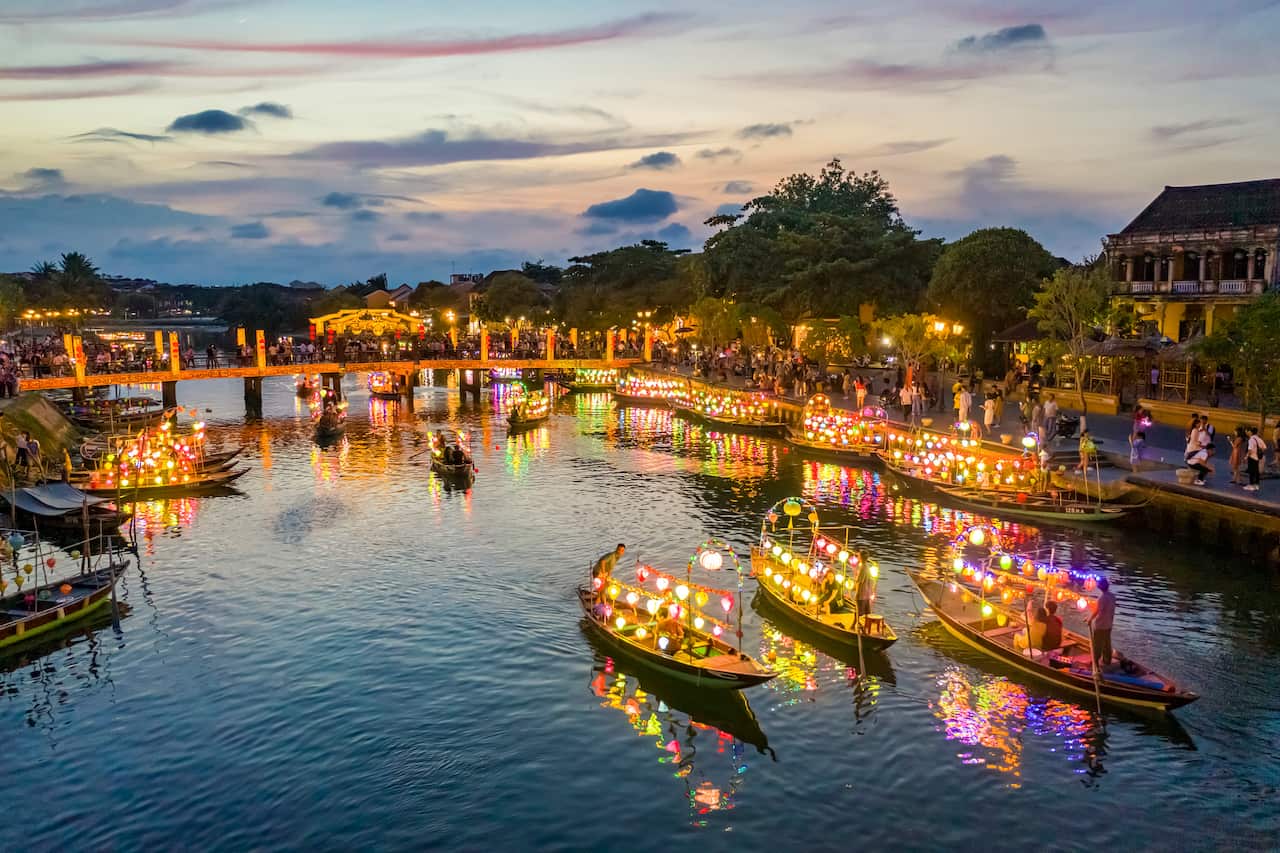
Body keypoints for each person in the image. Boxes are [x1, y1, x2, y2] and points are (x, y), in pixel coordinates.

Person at [1087, 577, 1116, 671]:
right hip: (1109, 624)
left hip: (1101, 625)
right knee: (1107, 643)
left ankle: (1095, 662)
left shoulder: (1102, 598)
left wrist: (1090, 619)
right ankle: (1107, 660)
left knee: (1097, 645)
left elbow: (1097, 611)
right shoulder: (1112, 596)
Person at [1245, 426, 1266, 492]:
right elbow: (1264, 447)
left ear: (1251, 432)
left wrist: (1246, 456)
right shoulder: (1259, 439)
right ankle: (1257, 485)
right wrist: (1260, 452)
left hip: (1252, 457)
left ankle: (1251, 485)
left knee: (1251, 471)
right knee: (1256, 471)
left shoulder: (1251, 439)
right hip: (1257, 458)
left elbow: (1250, 450)